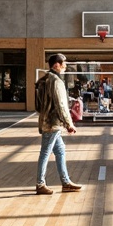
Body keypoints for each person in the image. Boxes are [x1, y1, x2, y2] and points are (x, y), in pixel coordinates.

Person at [34, 53, 82, 195]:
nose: (65, 66)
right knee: (45, 152)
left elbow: (37, 105)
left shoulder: (42, 80)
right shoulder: (56, 81)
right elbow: (61, 104)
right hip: (53, 123)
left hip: (46, 121)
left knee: (60, 150)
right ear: (56, 65)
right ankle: (40, 183)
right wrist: (69, 123)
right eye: (64, 63)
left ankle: (66, 182)